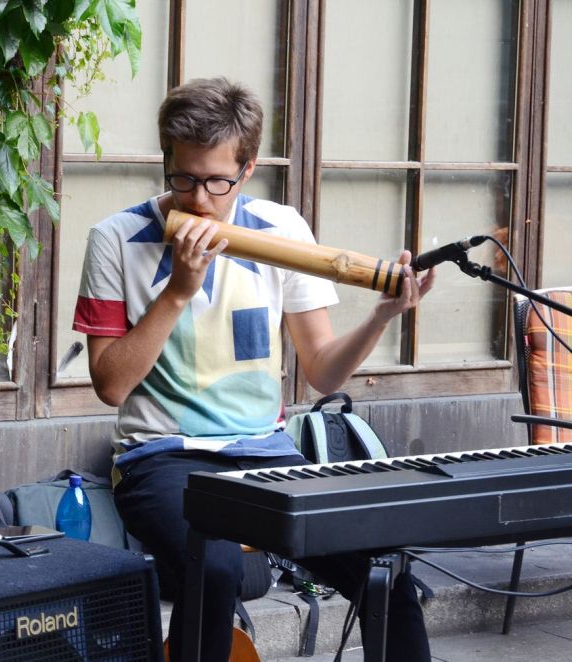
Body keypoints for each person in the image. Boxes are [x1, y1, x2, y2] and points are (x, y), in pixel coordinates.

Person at [72, 77, 437, 662]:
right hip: (161, 458)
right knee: (217, 567)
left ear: (247, 170)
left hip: (266, 453)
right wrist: (177, 291)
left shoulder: (281, 230)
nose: (198, 200)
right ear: (166, 161)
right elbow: (111, 385)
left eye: (217, 182)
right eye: (183, 178)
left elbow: (323, 373)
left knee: (386, 568)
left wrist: (382, 316)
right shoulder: (115, 239)